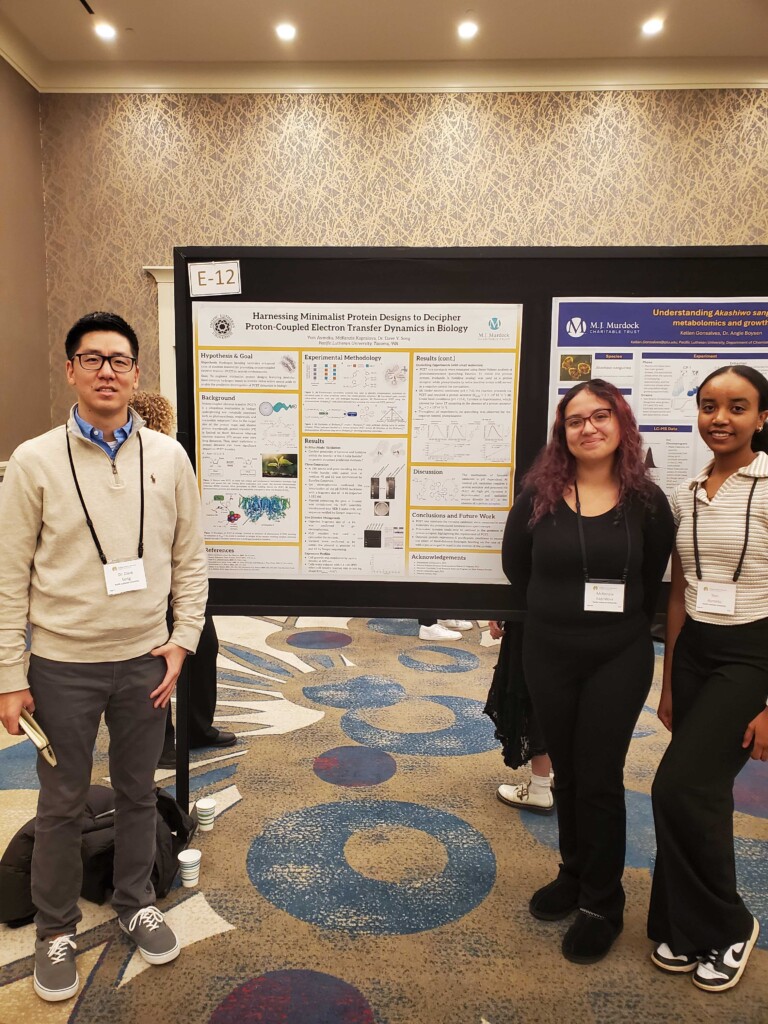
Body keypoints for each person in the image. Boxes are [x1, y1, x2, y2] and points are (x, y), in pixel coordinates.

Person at [0, 313, 208, 1002]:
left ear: (137, 373)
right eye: (92, 359)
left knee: (136, 790)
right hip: (61, 665)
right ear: (71, 371)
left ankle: (133, 900)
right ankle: (54, 930)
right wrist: (9, 674)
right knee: (61, 802)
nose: (107, 371)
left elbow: (191, 559)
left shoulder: (170, 458)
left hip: (146, 663)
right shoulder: (33, 460)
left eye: (119, 360)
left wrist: (182, 642)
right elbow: (8, 578)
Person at [502, 378, 673, 964]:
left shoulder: (647, 502)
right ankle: (573, 874)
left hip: (616, 656)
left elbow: (651, 583)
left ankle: (604, 901)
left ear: (620, 425)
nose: (589, 428)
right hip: (548, 653)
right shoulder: (539, 497)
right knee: (568, 773)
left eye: (601, 416)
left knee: (599, 775)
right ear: (563, 433)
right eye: (575, 420)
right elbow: (515, 568)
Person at [648, 364, 768, 992]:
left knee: (677, 787)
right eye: (709, 405)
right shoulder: (687, 489)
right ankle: (686, 926)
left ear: (762, 417)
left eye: (738, 407)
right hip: (694, 651)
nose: (720, 418)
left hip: (752, 654)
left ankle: (730, 924)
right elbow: (678, 593)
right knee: (705, 791)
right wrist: (668, 681)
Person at [129, 391, 235, 764]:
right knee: (155, 657)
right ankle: (161, 742)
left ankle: (196, 728)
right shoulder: (124, 463)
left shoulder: (173, 458)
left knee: (201, 646)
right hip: (142, 581)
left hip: (181, 574)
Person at [488, 619, 554, 814]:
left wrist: (498, 610)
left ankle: (540, 787)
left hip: (537, 616)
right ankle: (562, 774)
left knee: (533, 692)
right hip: (591, 618)